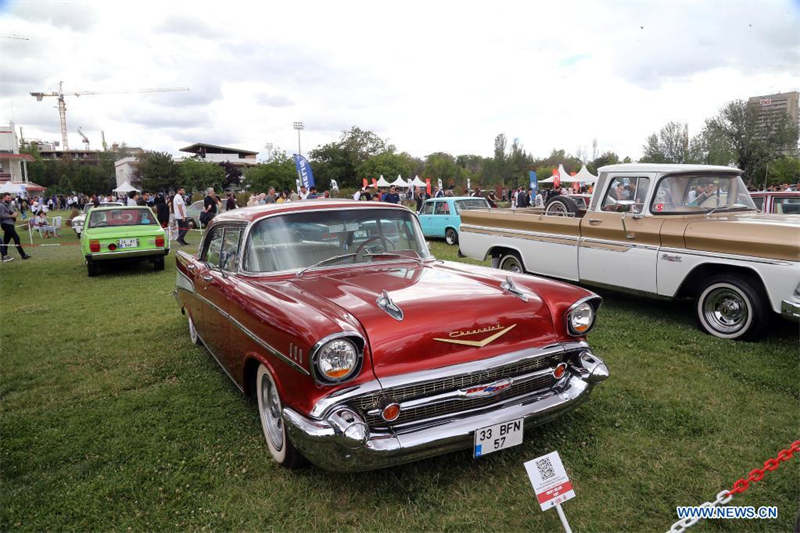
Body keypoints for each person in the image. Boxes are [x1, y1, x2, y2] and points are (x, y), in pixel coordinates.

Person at [1, 193, 30, 262]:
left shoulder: (8, 205)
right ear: (4, 198)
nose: (9, 199)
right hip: (6, 224)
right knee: (16, 238)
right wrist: (12, 216)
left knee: (6, 241)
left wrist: (15, 213)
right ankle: (23, 255)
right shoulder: (1, 205)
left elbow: (12, 212)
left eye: (10, 198)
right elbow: (1, 215)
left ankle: (4, 256)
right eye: (8, 198)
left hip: (10, 224)